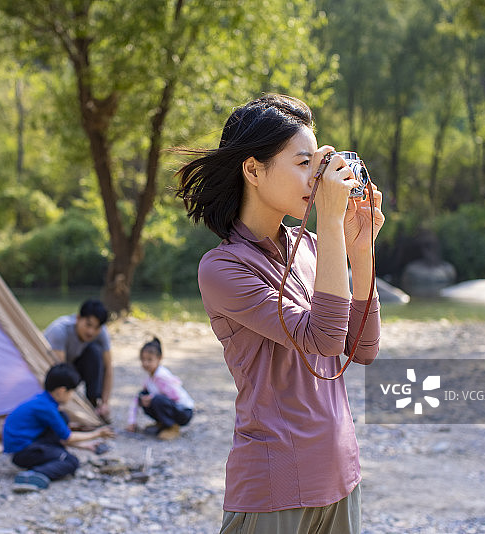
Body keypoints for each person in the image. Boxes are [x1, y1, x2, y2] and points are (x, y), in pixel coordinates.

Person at [174, 94, 384, 534]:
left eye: (318, 164)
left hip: (341, 476)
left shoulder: (308, 248)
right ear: (253, 170)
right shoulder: (223, 267)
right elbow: (323, 337)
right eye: (304, 163)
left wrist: (360, 250)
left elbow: (361, 348)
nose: (316, 177)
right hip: (275, 486)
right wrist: (328, 224)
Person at [2, 363, 115, 493]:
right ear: (61, 391)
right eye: (71, 391)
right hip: (23, 452)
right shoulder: (46, 408)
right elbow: (67, 437)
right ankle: (34, 474)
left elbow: (59, 436)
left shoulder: (43, 400)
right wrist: (97, 433)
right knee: (71, 462)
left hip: (28, 445)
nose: (72, 396)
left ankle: (41, 466)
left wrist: (86, 445)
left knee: (63, 418)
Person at [43, 299, 113, 422]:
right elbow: (60, 372)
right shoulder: (60, 330)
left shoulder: (102, 333)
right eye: (88, 325)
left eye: (96, 327)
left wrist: (105, 403)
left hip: (74, 367)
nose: (91, 331)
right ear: (78, 318)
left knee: (95, 351)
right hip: (52, 371)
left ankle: (94, 404)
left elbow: (108, 368)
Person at [125, 337, 195, 441]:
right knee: (143, 396)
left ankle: (172, 427)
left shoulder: (161, 376)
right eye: (143, 360)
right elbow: (137, 399)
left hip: (184, 412)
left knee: (156, 400)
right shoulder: (150, 379)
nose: (145, 363)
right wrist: (132, 421)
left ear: (159, 358)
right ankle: (162, 423)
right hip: (172, 407)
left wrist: (152, 397)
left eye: (149, 360)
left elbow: (175, 397)